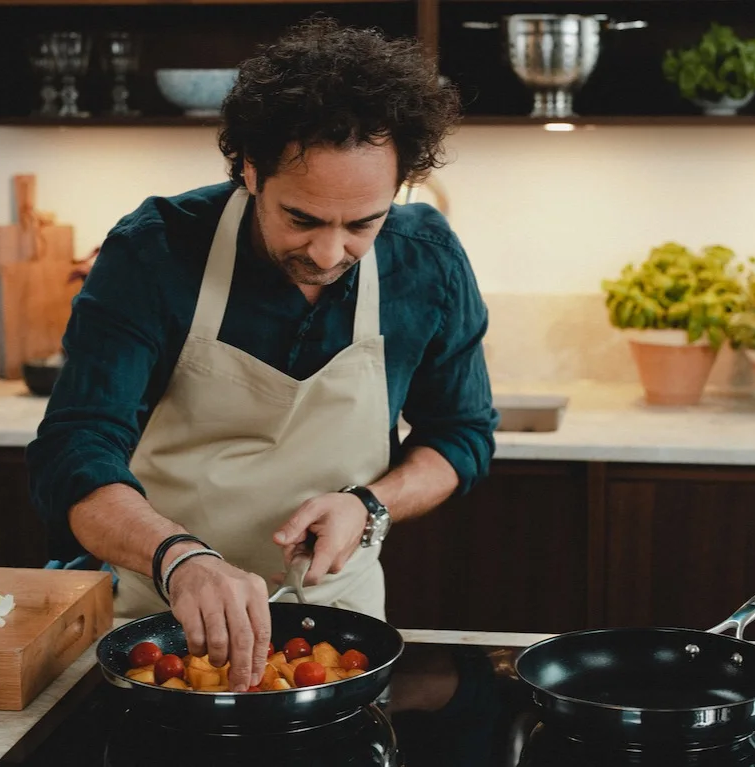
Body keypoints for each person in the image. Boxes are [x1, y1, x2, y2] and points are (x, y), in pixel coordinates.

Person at [26, 16, 498, 693]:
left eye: (362, 222)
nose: (329, 254)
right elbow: (74, 450)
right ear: (249, 169)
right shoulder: (154, 250)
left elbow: (461, 435)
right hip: (152, 622)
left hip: (331, 629)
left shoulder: (426, 258)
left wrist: (370, 504)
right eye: (301, 218)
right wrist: (178, 555)